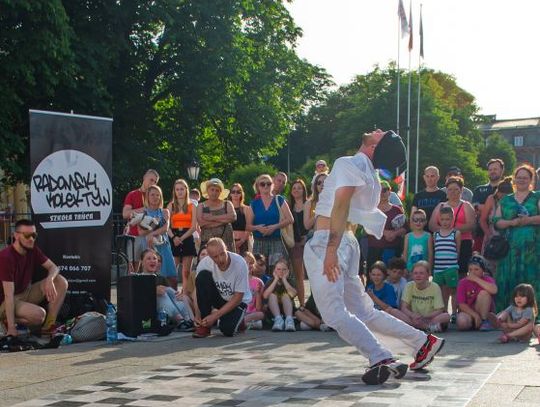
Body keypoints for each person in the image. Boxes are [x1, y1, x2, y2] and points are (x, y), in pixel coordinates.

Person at [303, 128, 444, 385]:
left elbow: (341, 206)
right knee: (364, 312)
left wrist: (330, 251)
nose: (377, 130)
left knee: (333, 313)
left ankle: (381, 357)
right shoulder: (373, 179)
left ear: (374, 148)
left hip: (329, 241)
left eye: (382, 134)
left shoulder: (348, 163)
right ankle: (422, 342)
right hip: (348, 241)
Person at [0, 219, 68, 337]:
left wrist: (50, 279)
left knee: (61, 281)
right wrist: (11, 328)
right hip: (5, 302)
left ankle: (48, 326)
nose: (31, 239)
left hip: (25, 293)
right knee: (39, 315)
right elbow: (8, 295)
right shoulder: (6, 257)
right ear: (16, 235)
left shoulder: (32, 250)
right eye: (27, 235)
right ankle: (6, 321)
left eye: (34, 235)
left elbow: (53, 267)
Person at [493, 164, 540, 312]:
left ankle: (532, 314)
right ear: (514, 179)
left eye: (525, 178)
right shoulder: (505, 200)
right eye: (519, 177)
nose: (521, 180)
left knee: (531, 279)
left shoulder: (537, 197)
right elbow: (496, 222)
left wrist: (528, 220)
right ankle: (507, 314)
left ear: (531, 180)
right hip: (510, 249)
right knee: (508, 279)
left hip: (532, 249)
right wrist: (511, 223)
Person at [192, 238, 251, 338]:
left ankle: (239, 320)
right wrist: (198, 315)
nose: (221, 259)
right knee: (202, 276)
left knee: (227, 330)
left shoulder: (240, 263)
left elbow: (238, 297)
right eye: (215, 257)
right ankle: (205, 325)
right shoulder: (204, 264)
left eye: (223, 253)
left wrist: (215, 316)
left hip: (238, 301)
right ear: (210, 256)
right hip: (219, 298)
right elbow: (198, 291)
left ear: (226, 248)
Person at [430, 176, 476, 278]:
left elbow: (471, 225)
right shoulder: (441, 206)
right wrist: (445, 232)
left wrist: (452, 231)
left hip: (464, 242)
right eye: (450, 189)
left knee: (461, 272)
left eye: (456, 189)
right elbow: (432, 225)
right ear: (446, 191)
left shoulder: (466, 205)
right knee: (442, 273)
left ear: (461, 190)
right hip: (444, 244)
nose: (453, 192)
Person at [246, 174, 293, 269]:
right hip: (259, 243)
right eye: (262, 184)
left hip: (276, 242)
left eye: (268, 183)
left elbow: (290, 219)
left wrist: (274, 227)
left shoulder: (279, 200)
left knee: (277, 271)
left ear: (272, 185)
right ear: (258, 186)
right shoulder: (254, 203)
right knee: (259, 270)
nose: (266, 186)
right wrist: (258, 228)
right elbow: (248, 226)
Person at [140, 249, 194, 331]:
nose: (152, 261)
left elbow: (172, 296)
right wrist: (153, 291)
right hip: (150, 311)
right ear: (142, 262)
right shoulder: (138, 278)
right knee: (162, 293)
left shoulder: (161, 278)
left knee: (174, 293)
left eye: (154, 258)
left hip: (167, 310)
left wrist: (177, 294)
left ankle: (189, 320)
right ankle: (180, 320)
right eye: (148, 258)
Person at [138, 185, 178, 288]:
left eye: (158, 195)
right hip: (149, 246)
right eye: (152, 195)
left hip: (163, 246)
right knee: (150, 276)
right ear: (147, 196)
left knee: (170, 275)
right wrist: (154, 224)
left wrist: (151, 233)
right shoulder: (143, 212)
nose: (155, 197)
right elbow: (140, 232)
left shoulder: (165, 212)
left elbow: (165, 228)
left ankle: (172, 295)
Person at [122, 169, 159, 271]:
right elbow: (125, 214)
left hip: (150, 235)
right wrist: (143, 209)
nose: (153, 183)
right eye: (151, 180)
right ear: (144, 178)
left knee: (151, 268)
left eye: (155, 181)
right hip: (135, 236)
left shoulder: (156, 196)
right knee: (132, 268)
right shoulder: (132, 194)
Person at [400, 261, 451, 333]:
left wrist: (424, 317)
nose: (418, 276)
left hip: (429, 318)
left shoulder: (435, 287)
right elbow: (404, 307)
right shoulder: (409, 285)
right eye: (415, 273)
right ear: (412, 275)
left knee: (446, 316)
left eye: (421, 273)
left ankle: (418, 326)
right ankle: (427, 327)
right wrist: (412, 315)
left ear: (428, 275)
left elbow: (439, 310)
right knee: (396, 312)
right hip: (413, 317)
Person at [367, 180, 407, 267]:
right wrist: (385, 232)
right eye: (379, 190)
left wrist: (395, 233)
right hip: (374, 249)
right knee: (373, 274)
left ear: (389, 191)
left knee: (391, 274)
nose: (382, 193)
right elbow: (367, 227)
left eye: (385, 190)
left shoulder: (397, 210)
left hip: (392, 249)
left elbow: (404, 228)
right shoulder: (372, 209)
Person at [167, 179, 197, 290]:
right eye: (177, 189)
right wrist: (174, 237)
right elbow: (166, 226)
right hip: (173, 236)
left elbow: (194, 227)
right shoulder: (170, 206)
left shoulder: (192, 206)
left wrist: (182, 238)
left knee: (186, 271)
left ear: (186, 190)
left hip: (187, 236)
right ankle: (172, 292)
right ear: (174, 191)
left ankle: (185, 293)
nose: (179, 192)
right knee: (172, 270)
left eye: (182, 189)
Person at [455, 255, 498, 331]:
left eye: (476, 269)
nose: (473, 272)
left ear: (483, 270)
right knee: (462, 322)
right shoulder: (462, 282)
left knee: (484, 293)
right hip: (469, 312)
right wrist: (475, 315)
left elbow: (494, 290)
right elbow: (461, 304)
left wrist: (476, 279)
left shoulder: (488, 279)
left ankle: (484, 321)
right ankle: (477, 323)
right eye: (470, 269)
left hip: (482, 310)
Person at [432, 206, 461, 317]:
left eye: (447, 219)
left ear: (452, 219)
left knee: (453, 291)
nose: (445, 222)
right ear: (439, 219)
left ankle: (454, 313)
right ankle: (443, 312)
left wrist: (454, 263)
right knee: (438, 291)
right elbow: (436, 249)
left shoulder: (456, 233)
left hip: (451, 267)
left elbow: (457, 250)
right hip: (438, 268)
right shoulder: (436, 234)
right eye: (442, 219)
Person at [472, 159, 505, 251]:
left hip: (503, 233)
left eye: (495, 169)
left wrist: (482, 207)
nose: (492, 171)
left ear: (502, 170)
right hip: (480, 233)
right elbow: (474, 208)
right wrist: (492, 208)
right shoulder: (479, 189)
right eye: (490, 169)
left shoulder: (508, 189)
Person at [197, 178, 236, 252]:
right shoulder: (201, 206)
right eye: (212, 190)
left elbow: (233, 217)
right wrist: (224, 221)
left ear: (220, 192)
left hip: (226, 241)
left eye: (217, 190)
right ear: (207, 190)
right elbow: (201, 223)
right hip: (208, 241)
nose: (214, 192)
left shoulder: (227, 203)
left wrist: (212, 218)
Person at [479, 177, 513, 256]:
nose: (502, 196)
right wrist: (489, 235)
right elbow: (482, 220)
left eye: (505, 195)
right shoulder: (491, 199)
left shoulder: (514, 200)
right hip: (493, 237)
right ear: (497, 192)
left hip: (510, 238)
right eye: (501, 193)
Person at [288, 179, 309, 307]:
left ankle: (315, 305)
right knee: (299, 277)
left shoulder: (310, 204)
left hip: (310, 244)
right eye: (294, 188)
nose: (296, 190)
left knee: (314, 275)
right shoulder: (288, 207)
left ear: (304, 190)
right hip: (295, 245)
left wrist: (308, 237)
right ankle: (302, 305)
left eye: (299, 188)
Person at [263, 259, 297, 332]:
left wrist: (284, 279)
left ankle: (289, 320)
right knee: (272, 295)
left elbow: (293, 294)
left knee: (285, 296)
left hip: (288, 310)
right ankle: (278, 320)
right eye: (278, 269)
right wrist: (275, 280)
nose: (281, 271)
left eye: (284, 269)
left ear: (288, 271)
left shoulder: (290, 281)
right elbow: (265, 296)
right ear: (274, 271)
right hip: (273, 311)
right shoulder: (270, 281)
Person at [243, 252, 265, 330]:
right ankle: (249, 324)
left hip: (252, 314)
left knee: (261, 314)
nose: (249, 265)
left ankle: (242, 323)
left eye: (251, 263)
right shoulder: (236, 280)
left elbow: (258, 308)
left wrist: (257, 293)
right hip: (239, 312)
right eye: (246, 263)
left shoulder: (258, 282)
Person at [229, 183, 252, 255]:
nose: (235, 194)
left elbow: (249, 228)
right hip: (228, 242)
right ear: (230, 194)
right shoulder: (226, 209)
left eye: (238, 192)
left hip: (243, 242)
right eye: (233, 192)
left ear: (241, 194)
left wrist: (241, 241)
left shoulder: (247, 209)